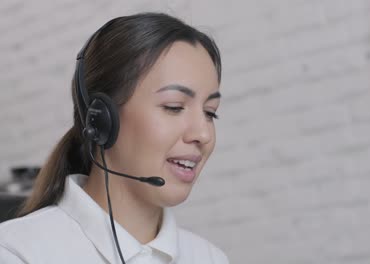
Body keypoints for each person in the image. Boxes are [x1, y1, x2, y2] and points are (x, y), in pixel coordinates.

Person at [0, 12, 228, 264]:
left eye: (210, 113)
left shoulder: (209, 258)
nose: (204, 134)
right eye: (174, 107)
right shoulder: (17, 252)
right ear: (102, 119)